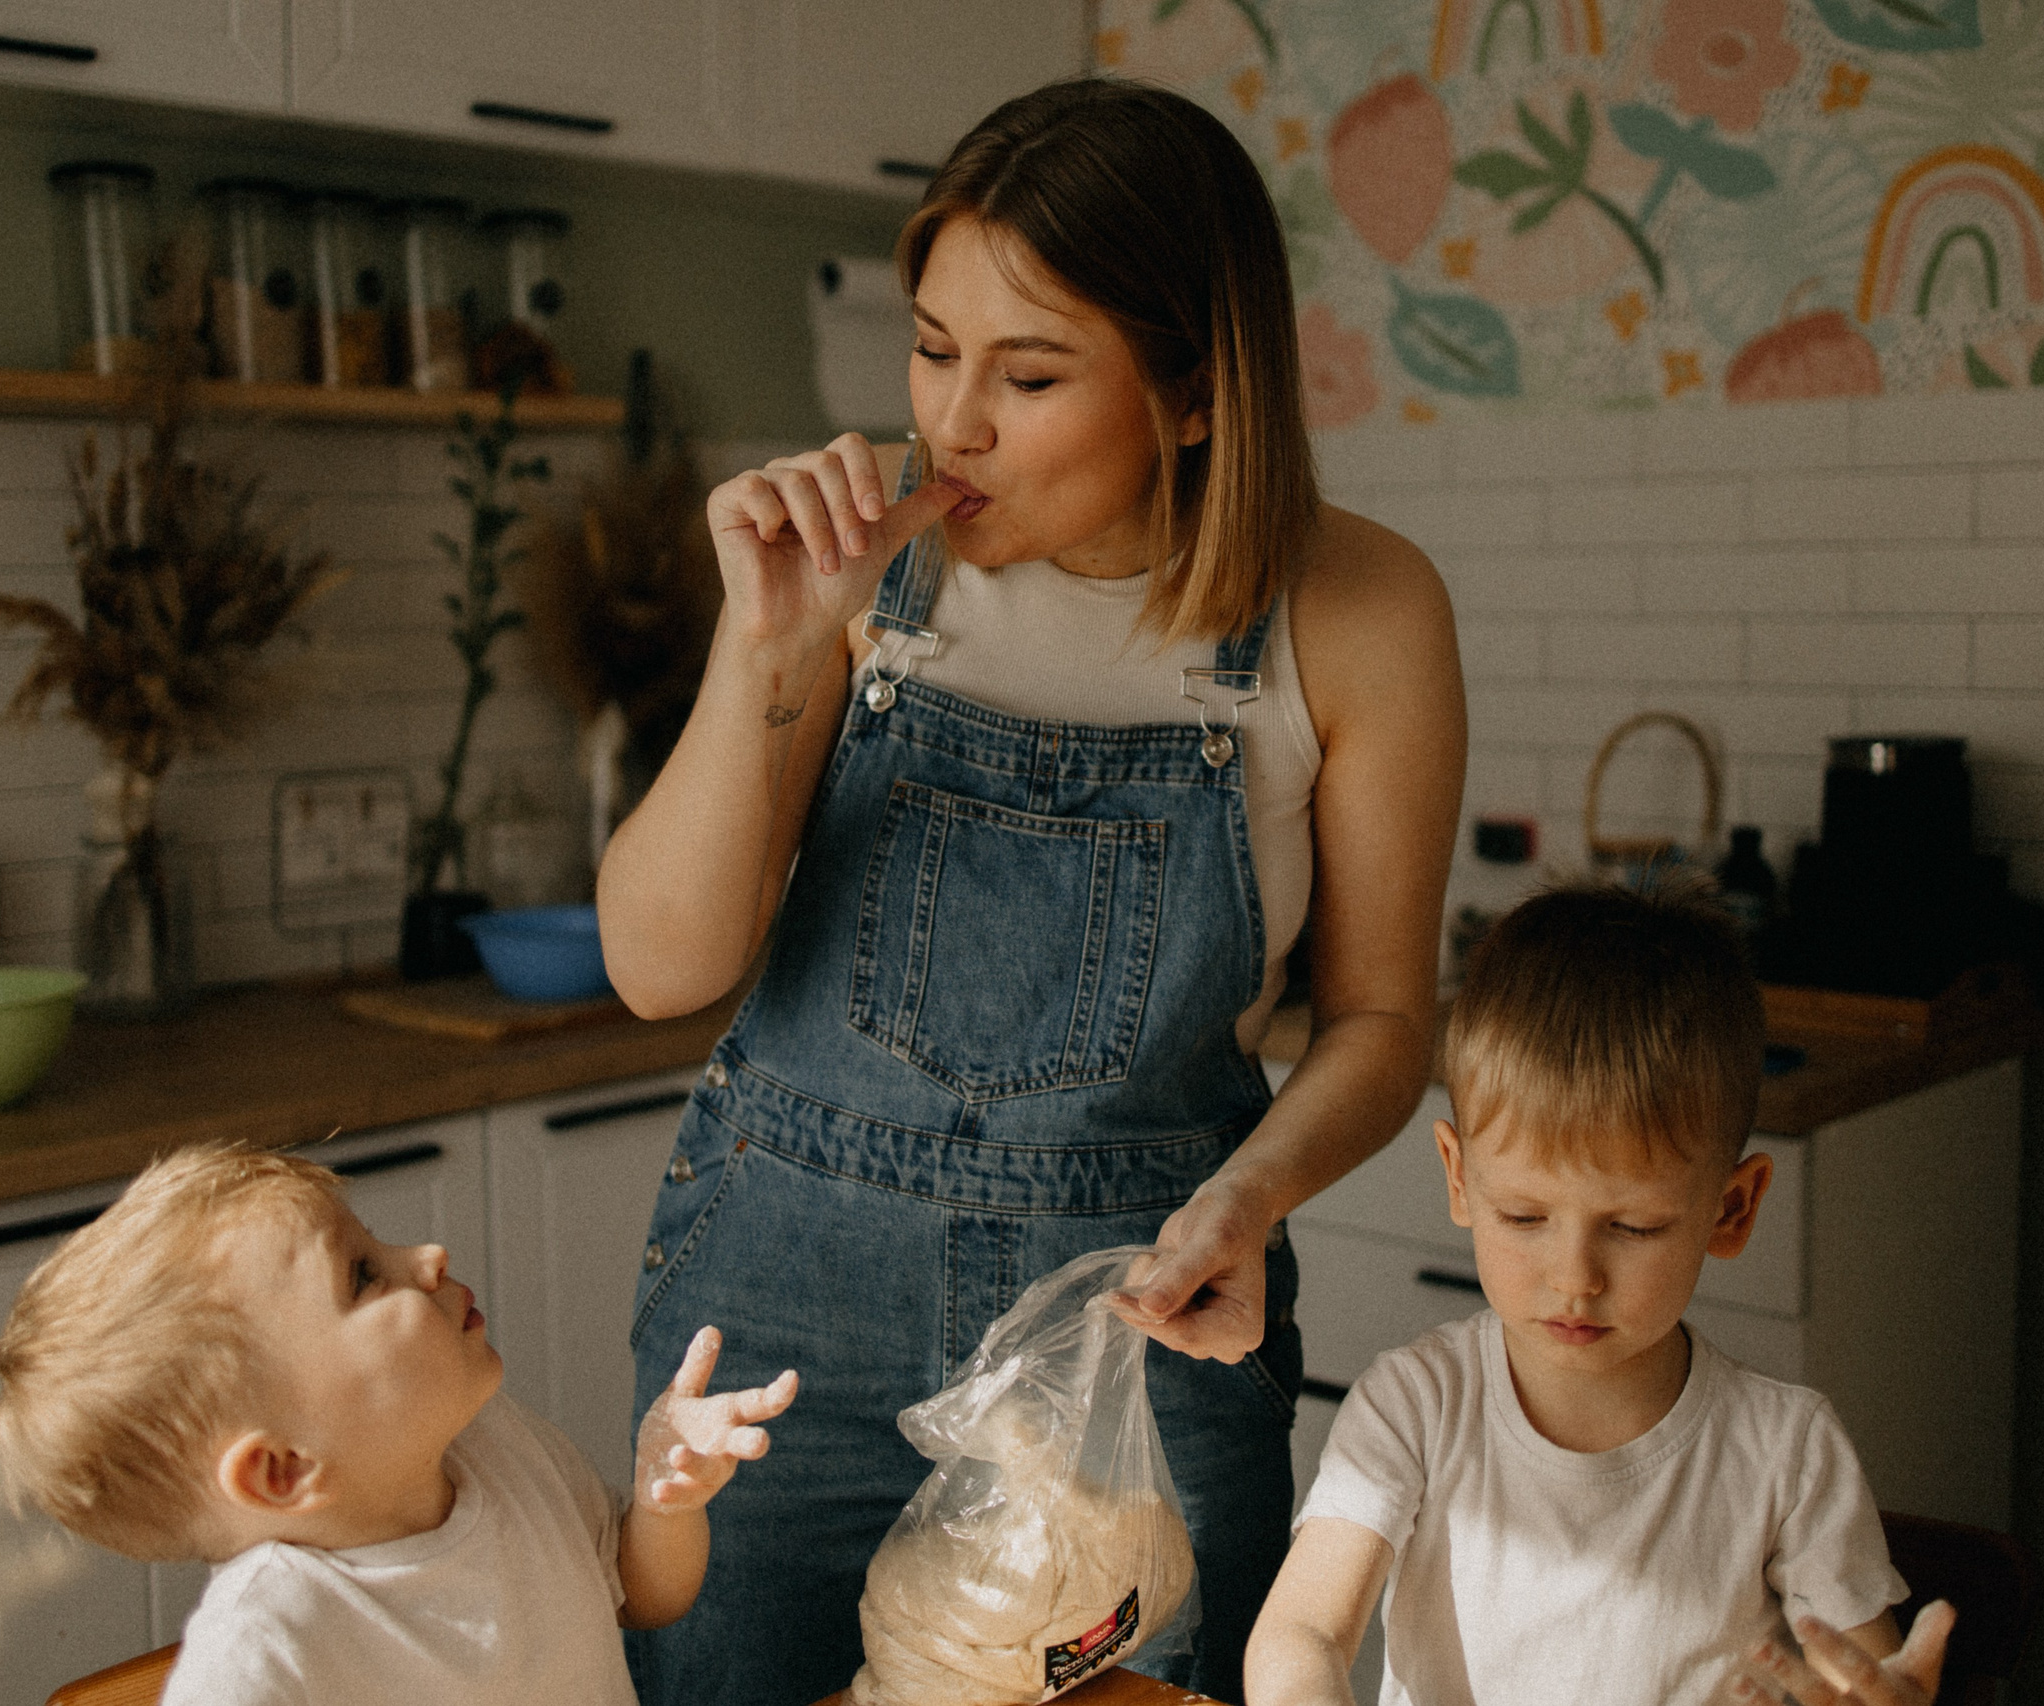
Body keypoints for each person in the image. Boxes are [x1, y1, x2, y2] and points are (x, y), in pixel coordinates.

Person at [597, 77, 1464, 1706]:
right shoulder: (857, 567)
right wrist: (766, 639)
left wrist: (1250, 1199)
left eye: (1033, 371)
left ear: (1196, 392)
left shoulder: (1356, 614)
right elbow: (658, 964)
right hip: (781, 1317)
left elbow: (1383, 1022)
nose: (951, 425)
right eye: (932, 348)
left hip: (1136, 1330)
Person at [1245, 881, 1957, 1706]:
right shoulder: (1415, 1406)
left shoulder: (1787, 1456)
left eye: (1635, 1227)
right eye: (1524, 1215)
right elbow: (1302, 1633)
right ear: (1460, 1180)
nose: (1574, 1277)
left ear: (1732, 1208)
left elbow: (1866, 1683)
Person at [0, 1144, 797, 1706]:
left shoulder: (495, 1442)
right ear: (282, 1470)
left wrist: (667, 1501)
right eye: (363, 1275)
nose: (431, 1253)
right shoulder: (266, 1646)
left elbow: (638, 1593)